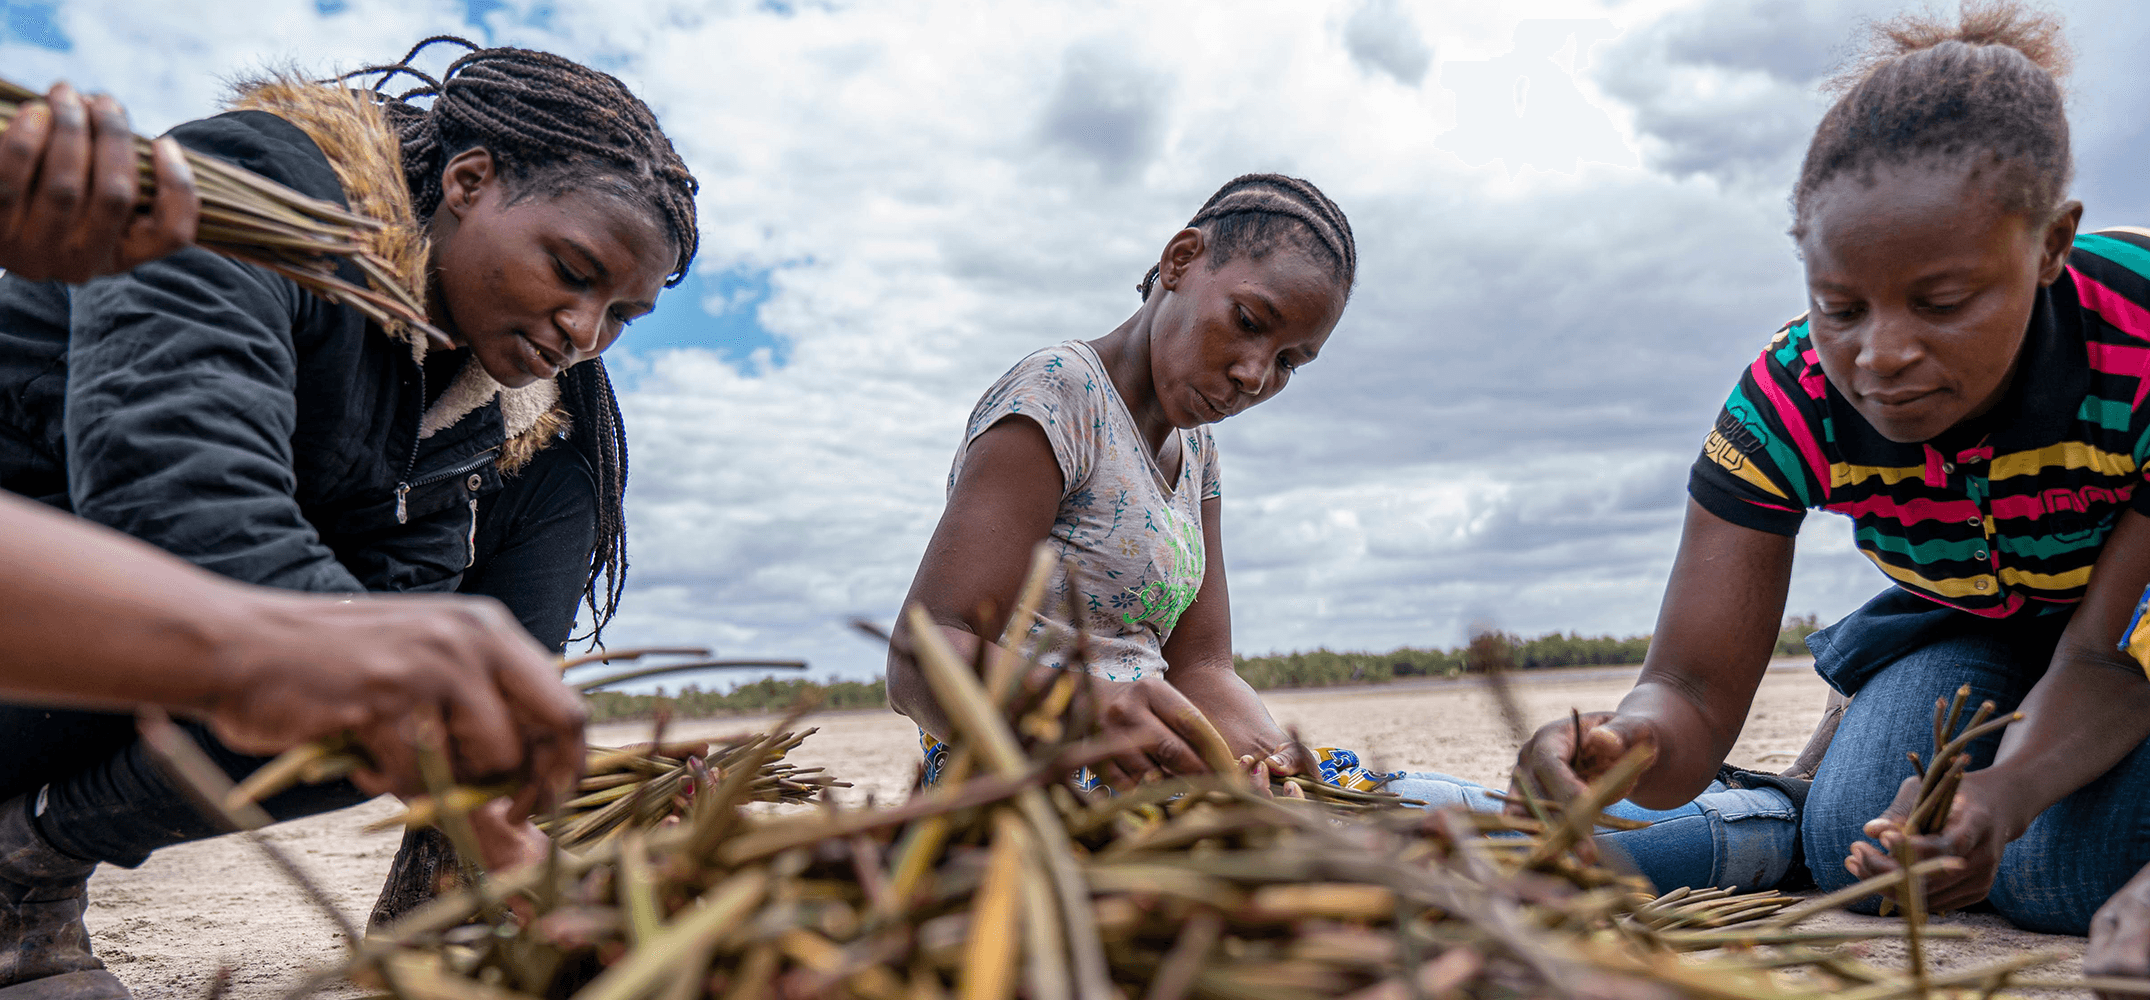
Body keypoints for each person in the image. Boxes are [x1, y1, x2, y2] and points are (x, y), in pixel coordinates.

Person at [0, 39, 697, 997]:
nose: (584, 332)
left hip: (99, 665)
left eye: (621, 313)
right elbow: (178, 498)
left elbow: (404, 604)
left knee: (395, 673)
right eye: (572, 271)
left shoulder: (468, 407)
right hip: (36, 622)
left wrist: (546, 798)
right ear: (469, 180)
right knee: (364, 667)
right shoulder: (251, 192)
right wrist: (387, 678)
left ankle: (20, 868)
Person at [1503, 1, 2150, 938]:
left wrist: (2002, 797)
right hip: (1966, 621)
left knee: (2059, 871)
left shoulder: (2136, 344)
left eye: (1943, 301)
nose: (1881, 356)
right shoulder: (1789, 399)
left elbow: (2104, 655)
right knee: (1862, 838)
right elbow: (1688, 689)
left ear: (2050, 244)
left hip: (2127, 644)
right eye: (1840, 306)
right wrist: (1624, 747)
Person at [888, 174, 1372, 792]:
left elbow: (1201, 667)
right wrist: (1086, 709)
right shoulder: (1060, 395)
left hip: (1149, 772)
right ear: (1181, 261)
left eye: (1288, 363)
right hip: (1026, 779)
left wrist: (1269, 756)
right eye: (1248, 321)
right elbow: (918, 658)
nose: (1254, 376)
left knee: (1439, 816)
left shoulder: (1199, 451)